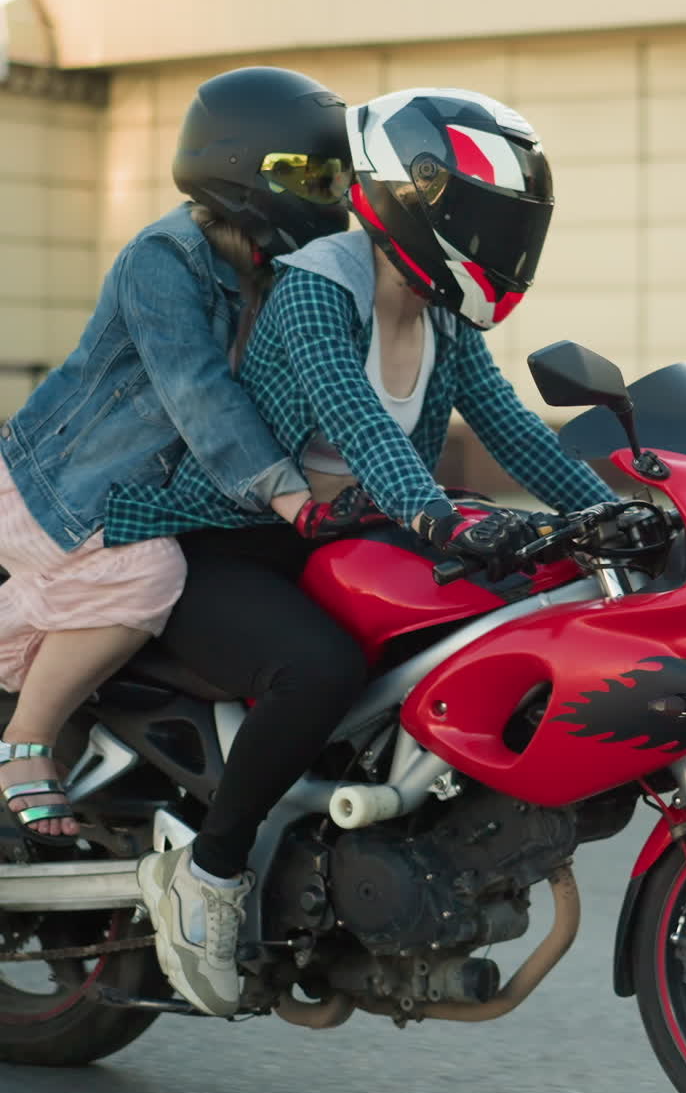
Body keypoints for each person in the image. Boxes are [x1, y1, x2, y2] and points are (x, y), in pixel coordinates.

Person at [107, 86, 617, 1017]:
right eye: (481, 217)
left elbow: (516, 435)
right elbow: (364, 432)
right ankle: (209, 877)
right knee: (318, 666)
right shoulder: (316, 289)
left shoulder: (442, 311)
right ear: (412, 202)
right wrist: (438, 515)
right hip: (231, 540)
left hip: (344, 542)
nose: (497, 239)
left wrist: (618, 515)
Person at [0, 64, 368, 852]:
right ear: (236, 166)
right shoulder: (162, 259)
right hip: (65, 489)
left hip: (163, 495)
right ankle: (25, 741)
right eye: (311, 173)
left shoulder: (273, 270)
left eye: (338, 173)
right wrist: (286, 496)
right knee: (149, 576)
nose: (331, 192)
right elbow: (199, 396)